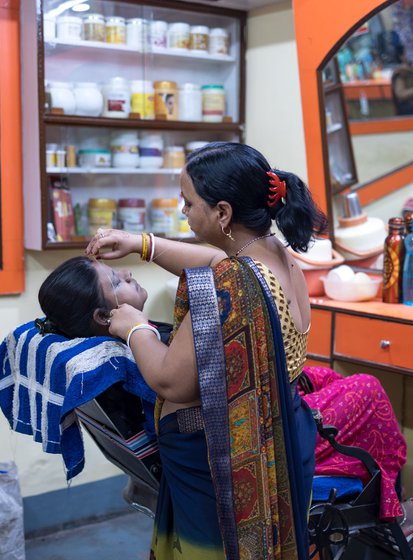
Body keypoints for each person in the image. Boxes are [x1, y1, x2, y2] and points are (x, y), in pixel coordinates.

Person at [38, 256, 413, 543]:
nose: (126, 273)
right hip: (246, 439)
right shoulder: (138, 349)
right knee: (366, 388)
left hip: (231, 417)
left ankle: (389, 503)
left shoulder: (115, 349)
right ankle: (393, 512)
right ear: (105, 317)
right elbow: (181, 388)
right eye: (115, 281)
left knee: (320, 376)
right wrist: (138, 330)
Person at [83, 141, 328, 559]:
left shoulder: (230, 285)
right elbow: (216, 261)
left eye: (189, 202)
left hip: (220, 458)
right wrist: (142, 243)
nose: (184, 212)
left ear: (223, 213)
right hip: (287, 428)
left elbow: (169, 381)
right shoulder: (276, 256)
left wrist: (135, 329)